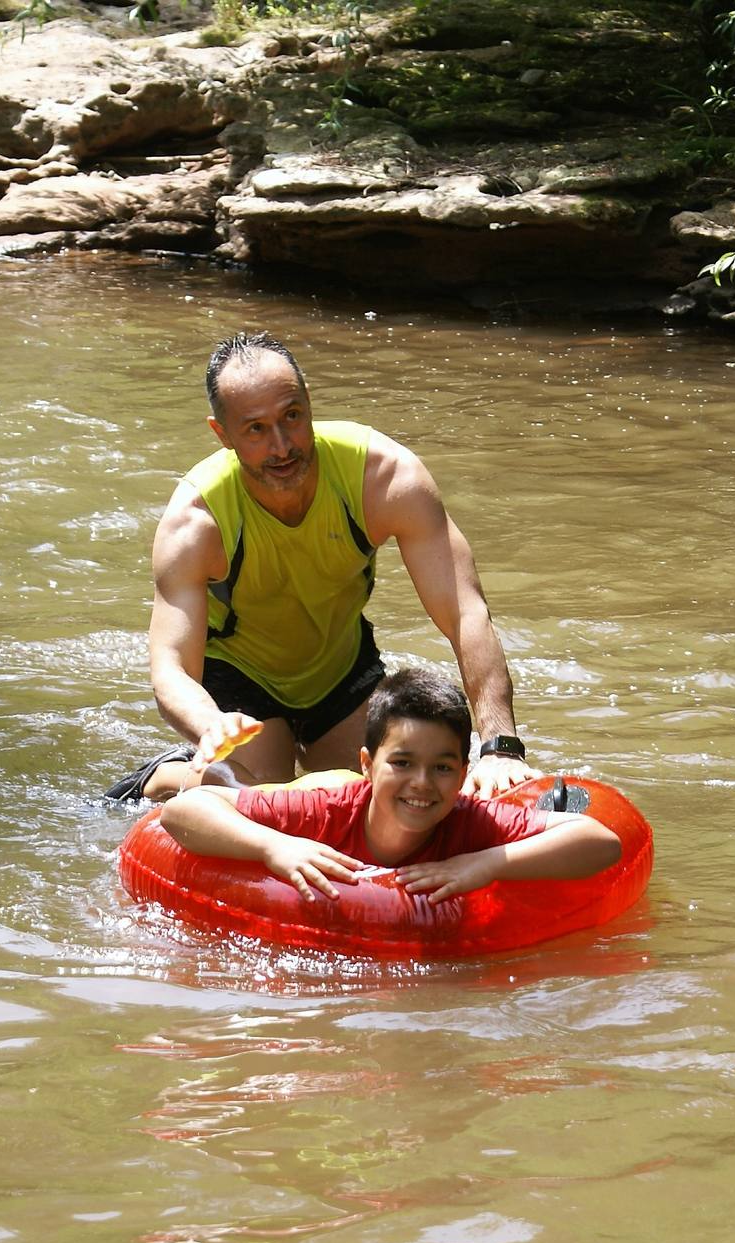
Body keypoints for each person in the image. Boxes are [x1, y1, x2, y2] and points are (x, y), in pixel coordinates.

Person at [115, 330, 540, 803]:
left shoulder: (383, 477)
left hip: (340, 667)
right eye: (255, 428)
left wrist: (500, 747)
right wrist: (210, 724)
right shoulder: (196, 522)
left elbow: (465, 612)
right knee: (261, 797)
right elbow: (170, 667)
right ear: (223, 434)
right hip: (239, 679)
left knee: (380, 791)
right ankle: (166, 775)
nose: (281, 446)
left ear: (310, 404)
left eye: (292, 417)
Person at [158, 668, 620, 901]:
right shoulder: (326, 810)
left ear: (464, 775)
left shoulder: (470, 820)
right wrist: (274, 848)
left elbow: (600, 842)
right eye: (401, 762)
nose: (421, 784)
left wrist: (483, 865)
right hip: (315, 786)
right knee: (227, 781)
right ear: (367, 764)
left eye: (442, 768)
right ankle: (164, 770)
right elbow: (185, 812)